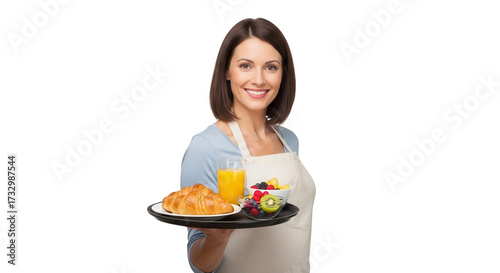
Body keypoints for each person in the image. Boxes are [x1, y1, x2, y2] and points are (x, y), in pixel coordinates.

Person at [180, 18, 316, 272]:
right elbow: (199, 265)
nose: (259, 79)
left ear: (283, 74)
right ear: (226, 72)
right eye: (245, 66)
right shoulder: (206, 147)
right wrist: (216, 238)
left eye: (271, 67)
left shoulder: (289, 141)